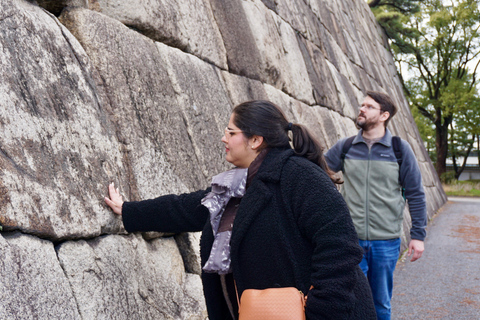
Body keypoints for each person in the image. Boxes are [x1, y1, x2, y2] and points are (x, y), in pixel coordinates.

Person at [105, 100, 376, 320]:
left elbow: (340, 248)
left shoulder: (300, 177)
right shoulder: (236, 185)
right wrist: (129, 211)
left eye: (231, 132)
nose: (223, 138)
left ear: (255, 140)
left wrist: (320, 312)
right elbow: (186, 208)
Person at [325, 91, 427, 320]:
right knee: (351, 301)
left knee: (380, 303)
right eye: (362, 105)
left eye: (369, 106)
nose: (362, 109)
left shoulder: (400, 150)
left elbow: (416, 194)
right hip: (351, 241)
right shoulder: (346, 147)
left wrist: (418, 235)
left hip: (386, 242)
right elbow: (318, 174)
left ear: (384, 115)